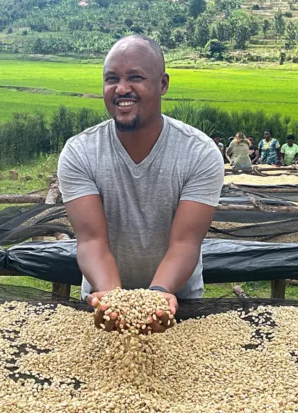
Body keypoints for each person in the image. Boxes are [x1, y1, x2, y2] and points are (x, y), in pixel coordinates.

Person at [57, 35, 225, 333]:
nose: (122, 89)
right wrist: (112, 300)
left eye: (135, 77)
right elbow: (92, 240)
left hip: (177, 304)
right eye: (112, 79)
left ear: (162, 84)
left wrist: (158, 296)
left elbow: (185, 242)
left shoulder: (199, 153)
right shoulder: (80, 152)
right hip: (101, 301)